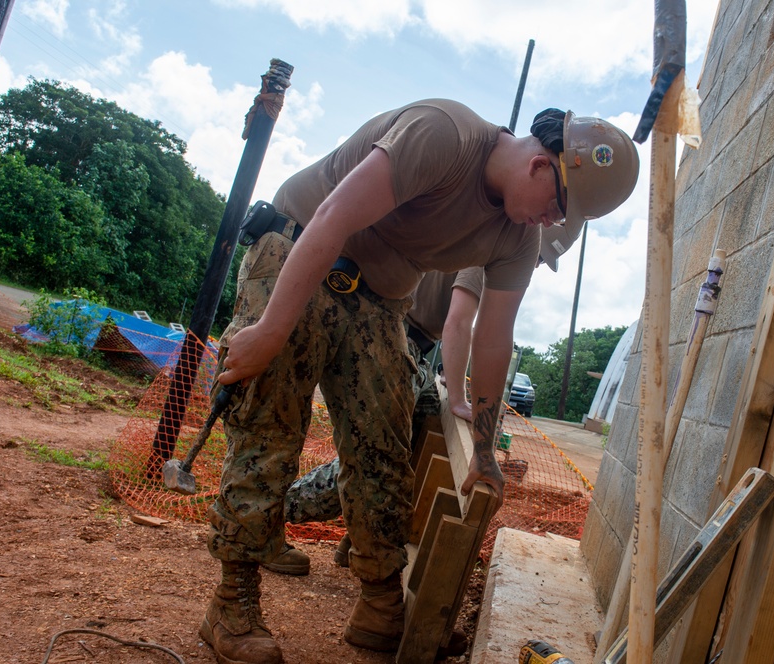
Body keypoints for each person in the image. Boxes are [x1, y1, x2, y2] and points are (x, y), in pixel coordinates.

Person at [199, 99, 639, 664]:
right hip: (298, 250)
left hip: (380, 303)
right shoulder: (444, 135)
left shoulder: (516, 240)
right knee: (268, 432)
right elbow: (334, 214)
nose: (550, 223)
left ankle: (380, 605)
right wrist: (269, 329)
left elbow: (493, 338)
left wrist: (483, 450)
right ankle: (231, 606)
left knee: (383, 449)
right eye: (557, 209)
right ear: (539, 166)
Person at [272, 224, 571, 576]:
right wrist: (459, 397)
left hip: (408, 340)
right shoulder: (493, 246)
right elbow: (459, 323)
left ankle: (355, 540)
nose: (534, 265)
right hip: (392, 333)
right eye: (539, 257)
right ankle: (273, 512)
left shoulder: (490, 239)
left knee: (419, 432)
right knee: (373, 458)